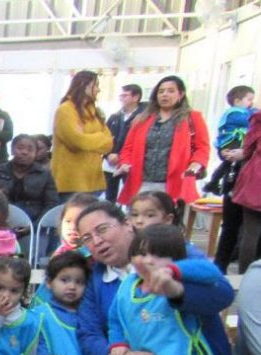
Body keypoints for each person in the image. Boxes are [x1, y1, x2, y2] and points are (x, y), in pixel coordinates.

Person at [98, 224, 230, 355]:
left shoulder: (180, 284)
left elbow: (211, 272)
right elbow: (115, 320)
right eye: (142, 253)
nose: (149, 260)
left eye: (159, 255)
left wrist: (173, 275)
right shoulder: (127, 286)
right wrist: (118, 345)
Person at [115, 75, 211, 210]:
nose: (165, 95)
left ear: (181, 94)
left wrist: (196, 164)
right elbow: (127, 148)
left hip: (175, 184)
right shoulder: (141, 119)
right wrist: (125, 163)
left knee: (168, 227)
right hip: (141, 183)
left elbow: (202, 147)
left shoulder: (193, 118)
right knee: (138, 225)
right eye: (161, 91)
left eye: (171, 91)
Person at [30, 252, 93, 355]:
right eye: (64, 280)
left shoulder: (91, 315)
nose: (72, 287)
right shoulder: (39, 316)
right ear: (49, 282)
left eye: (79, 282)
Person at [210, 86, 259, 272]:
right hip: (239, 176)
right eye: (249, 99)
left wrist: (243, 154)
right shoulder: (242, 116)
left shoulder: (253, 118)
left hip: (246, 177)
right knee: (237, 226)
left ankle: (231, 268)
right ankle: (225, 267)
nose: (251, 104)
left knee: (246, 229)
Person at [50, 70, 113, 199]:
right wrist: (100, 137)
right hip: (71, 183)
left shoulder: (94, 111)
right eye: (96, 85)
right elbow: (77, 142)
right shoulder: (66, 110)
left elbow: (109, 144)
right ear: (84, 85)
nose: (98, 90)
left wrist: (89, 138)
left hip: (94, 182)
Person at [0, 134, 59, 227]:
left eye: (30, 149)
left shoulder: (44, 175)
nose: (24, 152)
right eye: (20, 148)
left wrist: (34, 226)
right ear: (12, 150)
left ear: (35, 153)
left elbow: (51, 204)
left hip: (34, 225)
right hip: (0, 224)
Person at [231, 106, 261, 270]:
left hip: (256, 180)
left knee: (251, 232)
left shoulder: (258, 118)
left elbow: (248, 148)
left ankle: (244, 277)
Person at [104, 84, 145, 201]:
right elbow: (106, 137)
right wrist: (108, 154)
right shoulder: (114, 117)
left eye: (125, 95)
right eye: (120, 95)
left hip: (130, 163)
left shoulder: (144, 117)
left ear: (136, 97)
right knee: (109, 196)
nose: (122, 98)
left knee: (132, 197)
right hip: (110, 163)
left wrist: (121, 156)